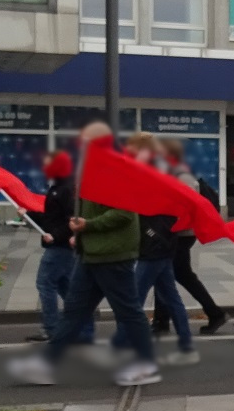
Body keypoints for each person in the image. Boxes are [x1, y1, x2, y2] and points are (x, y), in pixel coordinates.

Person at [9, 122, 161, 387]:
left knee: (128, 312)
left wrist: (87, 226)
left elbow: (124, 214)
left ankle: (145, 365)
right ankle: (46, 366)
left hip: (113, 256)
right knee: (74, 312)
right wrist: (78, 233)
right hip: (91, 254)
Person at [112, 137, 199, 366]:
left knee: (133, 300)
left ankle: (122, 346)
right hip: (162, 247)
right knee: (171, 298)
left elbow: (152, 211)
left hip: (153, 248)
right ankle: (186, 345)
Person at [155, 138, 229, 335]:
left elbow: (183, 207)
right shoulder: (172, 172)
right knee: (178, 274)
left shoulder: (182, 175)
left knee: (162, 272)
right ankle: (213, 313)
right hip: (177, 233)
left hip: (180, 234)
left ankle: (162, 321)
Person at [26, 149, 88, 343]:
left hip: (59, 247)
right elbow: (51, 217)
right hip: (61, 246)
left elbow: (71, 219)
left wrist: (56, 235)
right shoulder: (58, 187)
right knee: (65, 287)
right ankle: (81, 324)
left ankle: (52, 328)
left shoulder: (64, 189)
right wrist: (28, 213)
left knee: (45, 284)